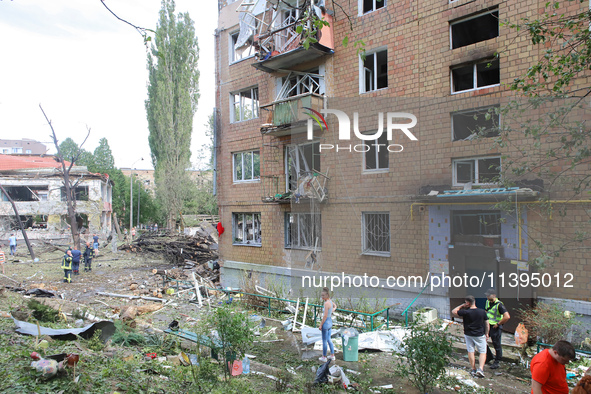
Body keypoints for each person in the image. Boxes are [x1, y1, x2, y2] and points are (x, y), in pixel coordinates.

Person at [452, 295, 490, 378]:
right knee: (483, 352)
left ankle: (473, 369)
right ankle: (480, 369)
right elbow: (487, 323)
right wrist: (487, 333)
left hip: (468, 334)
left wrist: (462, 306)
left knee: (471, 351)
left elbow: (454, 311)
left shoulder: (466, 312)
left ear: (468, 303)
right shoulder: (482, 312)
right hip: (479, 334)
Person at [484, 288, 510, 369]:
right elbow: (486, 312)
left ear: (494, 295)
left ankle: (497, 361)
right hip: (488, 325)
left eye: (489, 295)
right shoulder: (487, 302)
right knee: (482, 340)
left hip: (496, 326)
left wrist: (498, 324)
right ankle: (489, 356)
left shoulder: (499, 305)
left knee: (496, 344)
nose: (487, 297)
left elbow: (507, 316)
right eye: (486, 295)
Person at [319, 287, 337, 362]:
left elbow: (325, 316)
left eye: (323, 295)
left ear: (326, 295)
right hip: (330, 321)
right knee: (329, 339)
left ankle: (324, 356)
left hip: (326, 322)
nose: (322, 297)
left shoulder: (326, 304)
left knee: (324, 340)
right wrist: (334, 308)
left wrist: (321, 325)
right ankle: (332, 355)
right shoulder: (330, 301)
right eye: (321, 295)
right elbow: (334, 307)